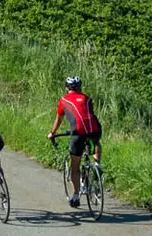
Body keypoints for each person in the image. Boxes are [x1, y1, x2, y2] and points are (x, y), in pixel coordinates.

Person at [47, 76, 101, 208]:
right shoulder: (87, 98)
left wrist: (52, 133)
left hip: (77, 133)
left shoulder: (63, 100)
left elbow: (58, 120)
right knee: (96, 141)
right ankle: (97, 163)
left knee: (75, 167)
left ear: (67, 88)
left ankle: (76, 195)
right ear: (80, 87)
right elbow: (89, 114)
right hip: (94, 130)